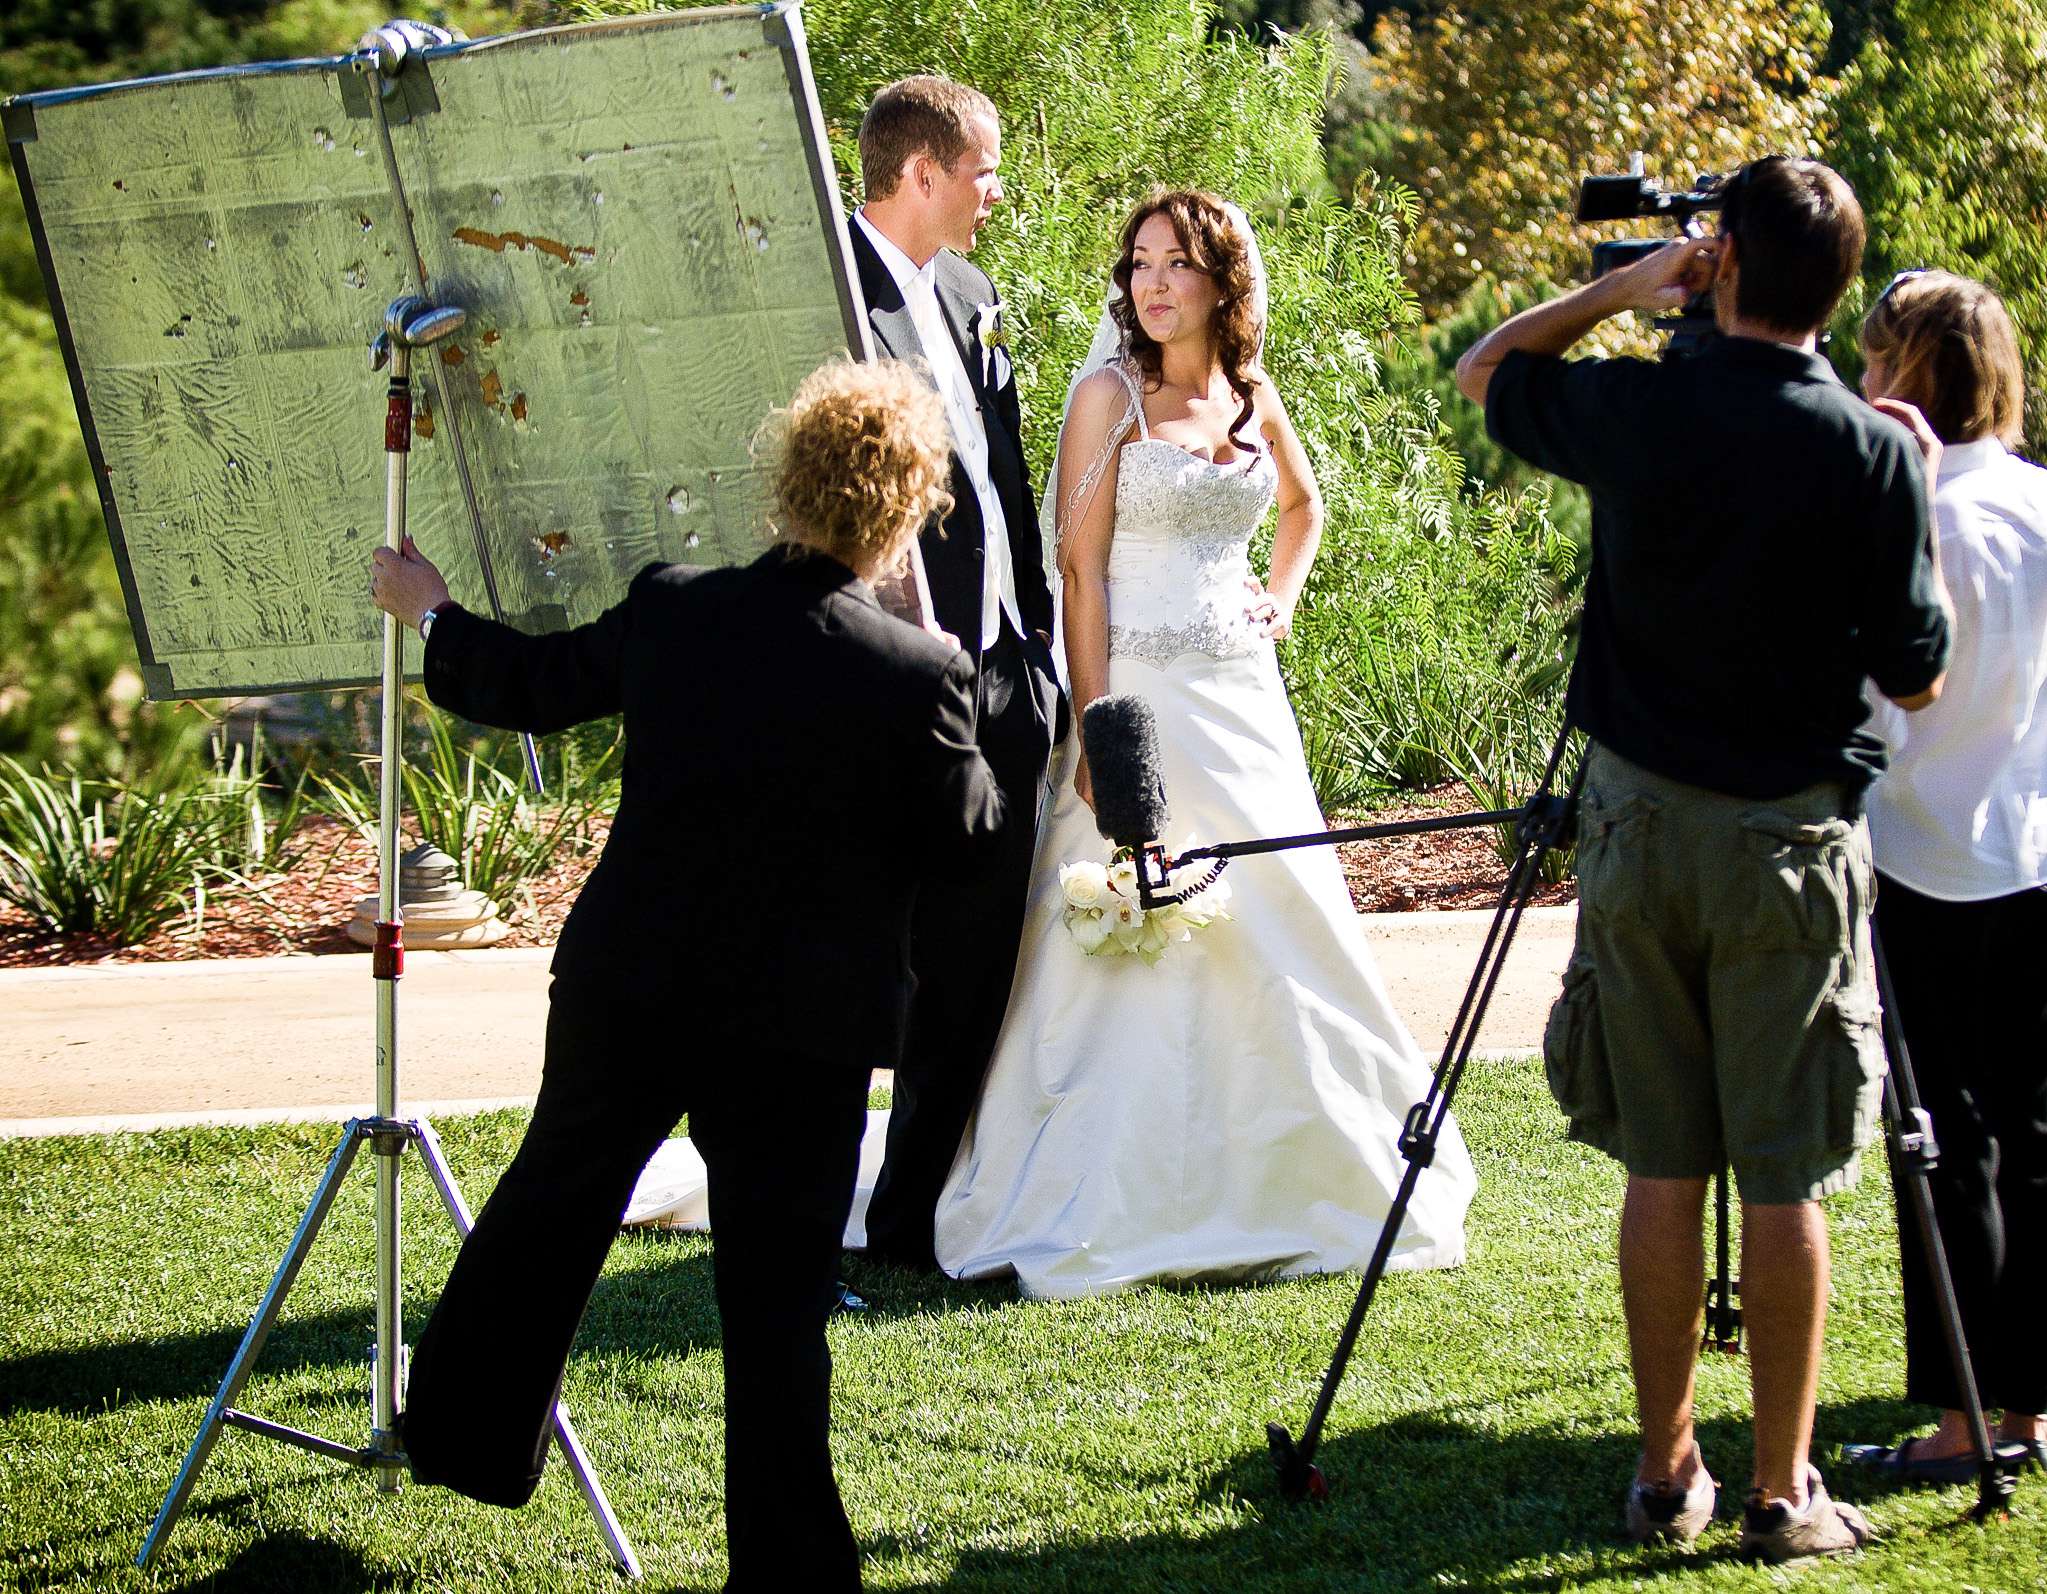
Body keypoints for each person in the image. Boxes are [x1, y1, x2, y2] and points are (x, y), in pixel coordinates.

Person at [375, 361, 1004, 1592]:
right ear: (903, 512)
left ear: (784, 483)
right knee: (774, 1317)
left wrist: (434, 614)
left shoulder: (675, 608)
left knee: (552, 1202)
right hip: (798, 1036)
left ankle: (449, 1430)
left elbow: (540, 687)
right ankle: (788, 1574)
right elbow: (971, 843)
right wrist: (956, 676)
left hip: (633, 987)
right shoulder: (917, 674)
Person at [1458, 156, 1952, 1562]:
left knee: (1664, 1161)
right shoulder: (1869, 447)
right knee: (1786, 1168)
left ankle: (1669, 1466)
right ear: (1841, 290)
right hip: (1787, 838)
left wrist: (1629, 280)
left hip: (1631, 822)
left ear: (1722, 261)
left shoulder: (1646, 402)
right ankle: (1786, 1491)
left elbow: (1490, 369)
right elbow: (1916, 677)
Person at [930, 187, 1477, 1298]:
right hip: (1139, 697)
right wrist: (1097, 723)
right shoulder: (1106, 398)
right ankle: (1112, 1184)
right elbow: (1076, 572)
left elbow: (1302, 507)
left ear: (1225, 280)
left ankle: (1303, 1168)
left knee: (1285, 924)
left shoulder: (1251, 398)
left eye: (1178, 263)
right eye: (1139, 264)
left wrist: (1280, 597)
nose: (1154, 284)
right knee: (1125, 921)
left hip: (1241, 697)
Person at [1839, 270, 2047, 1480]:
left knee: (1943, 1140)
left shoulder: (1898, 513)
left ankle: (1961, 1419)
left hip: (1922, 862)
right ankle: (2026, 1406)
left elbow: (1874, 708)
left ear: (1900, 374)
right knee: (2042, 1131)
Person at [845, 74, 1064, 1270]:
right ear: (921, 172)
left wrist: (1035, 647)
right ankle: (854, 1189)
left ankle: (916, 1212)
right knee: (878, 948)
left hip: (1004, 672)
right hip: (896, 677)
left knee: (980, 950)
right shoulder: (833, 289)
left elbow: (1006, 481)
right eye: (981, 169)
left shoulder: (973, 294)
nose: (994, 191)